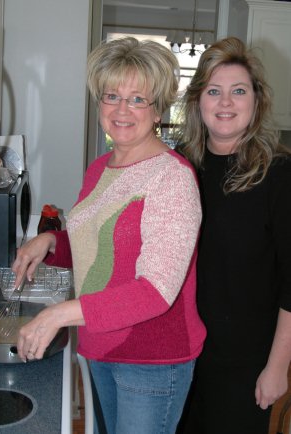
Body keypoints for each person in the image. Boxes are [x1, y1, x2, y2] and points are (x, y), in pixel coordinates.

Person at [12, 37, 206, 434]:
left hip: (152, 361)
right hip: (102, 343)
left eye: (138, 99)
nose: (121, 109)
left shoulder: (172, 179)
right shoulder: (100, 168)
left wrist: (61, 313)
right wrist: (50, 242)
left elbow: (155, 290)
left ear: (158, 111)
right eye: (112, 95)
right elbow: (94, 247)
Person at [175, 36, 291, 434]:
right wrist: (55, 240)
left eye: (238, 91)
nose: (226, 102)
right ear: (198, 101)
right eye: (214, 91)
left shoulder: (278, 174)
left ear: (255, 101)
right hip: (180, 353)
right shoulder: (179, 164)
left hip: (245, 361)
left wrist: (277, 367)